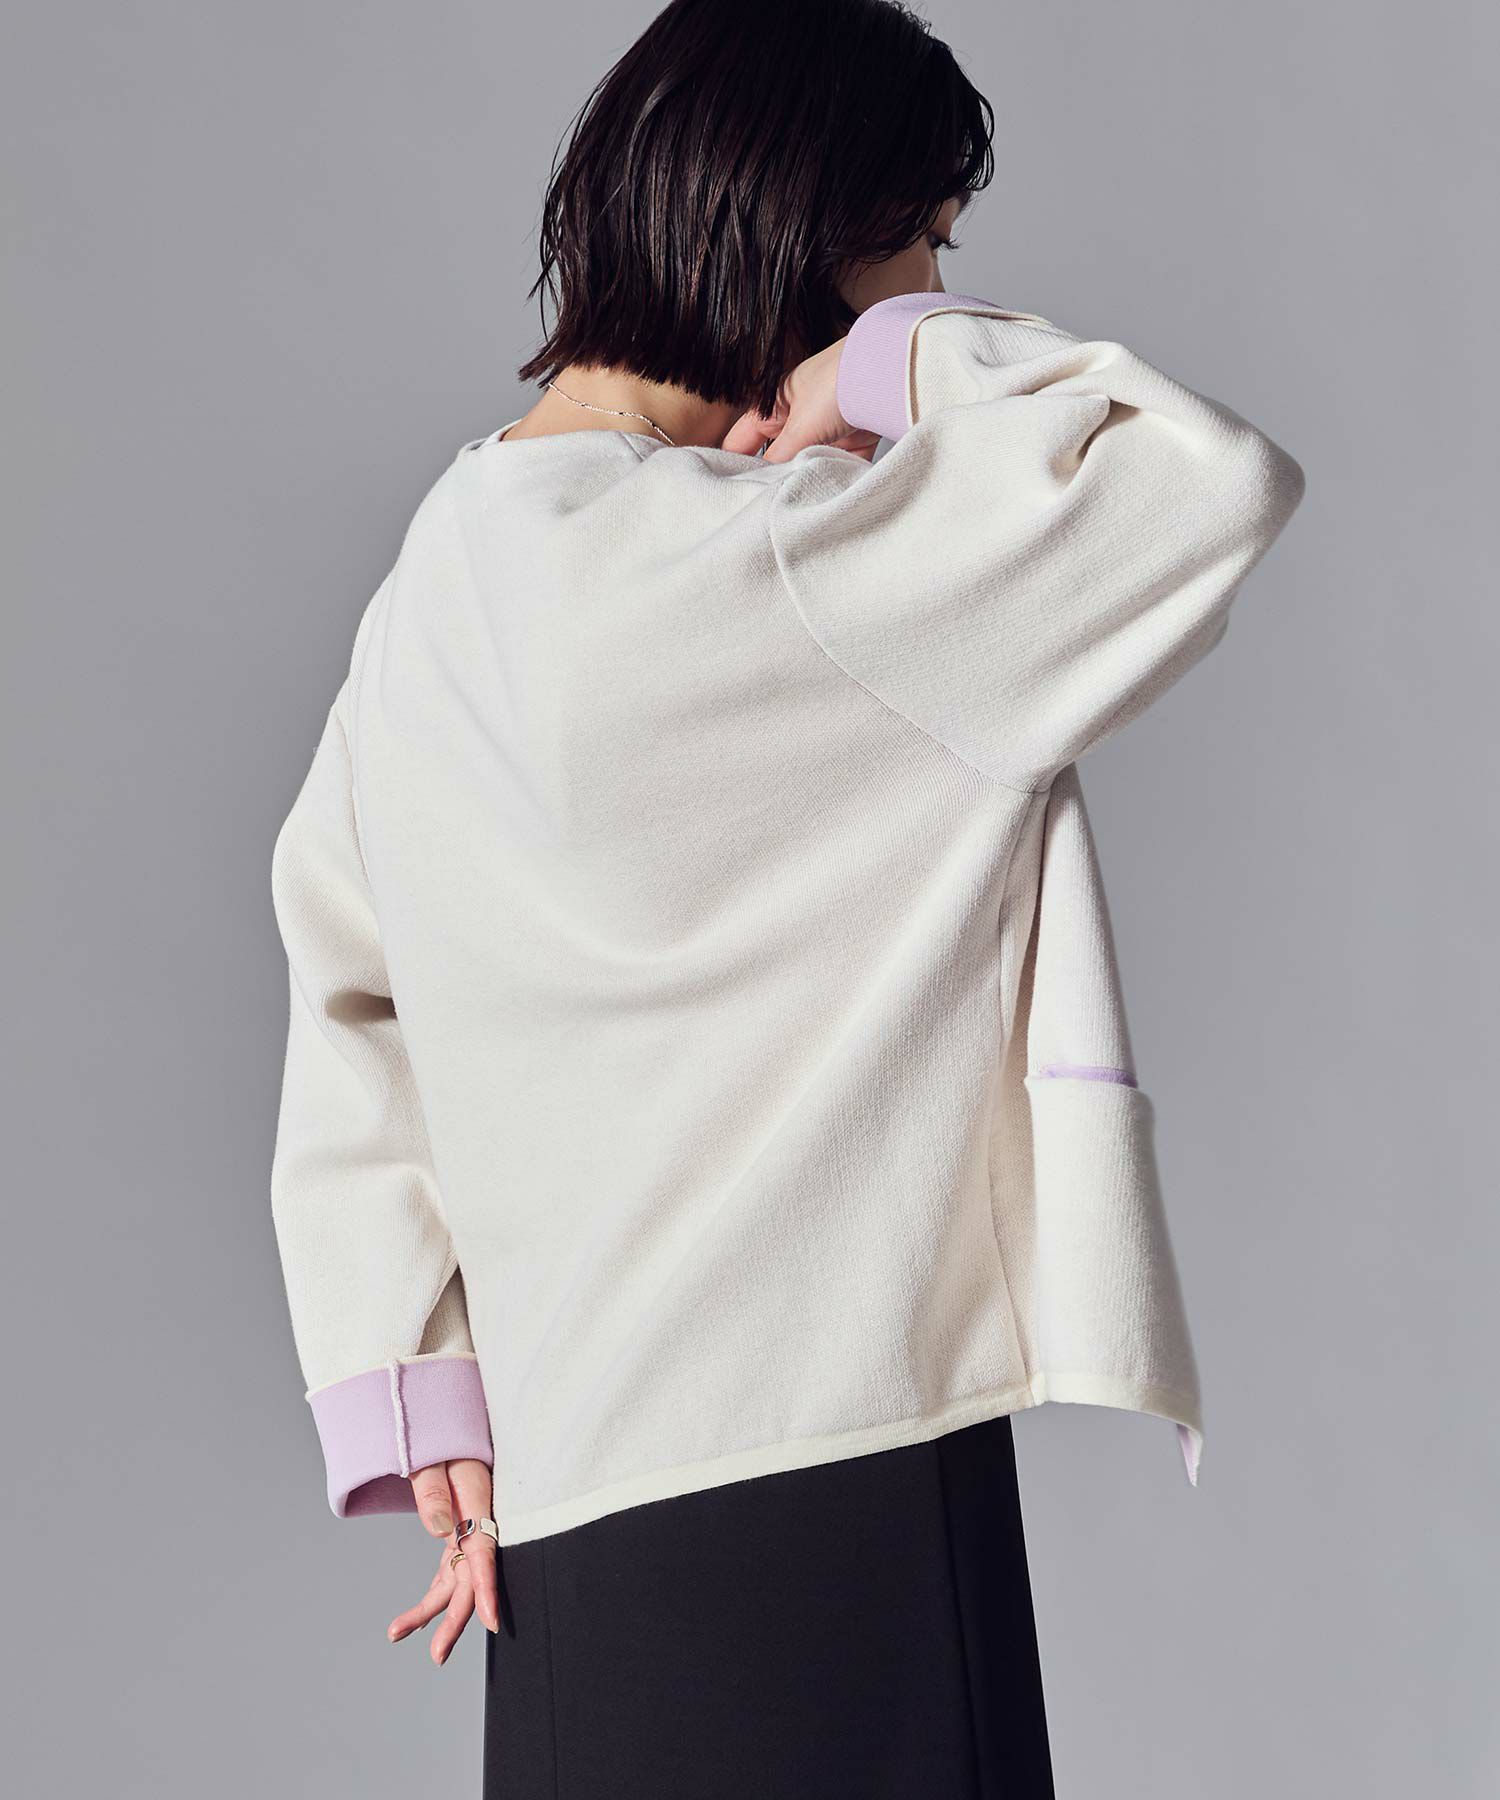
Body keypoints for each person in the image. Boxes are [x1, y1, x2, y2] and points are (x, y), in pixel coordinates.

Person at [267, 1, 1305, 1793]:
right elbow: (1202, 480)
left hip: (565, 1532)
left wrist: (416, 1379)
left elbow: (351, 1000)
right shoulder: (797, 568)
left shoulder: (430, 592)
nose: (937, 283)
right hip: (834, 1474)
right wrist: (901, 363)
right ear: (815, 230)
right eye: (925, 244)